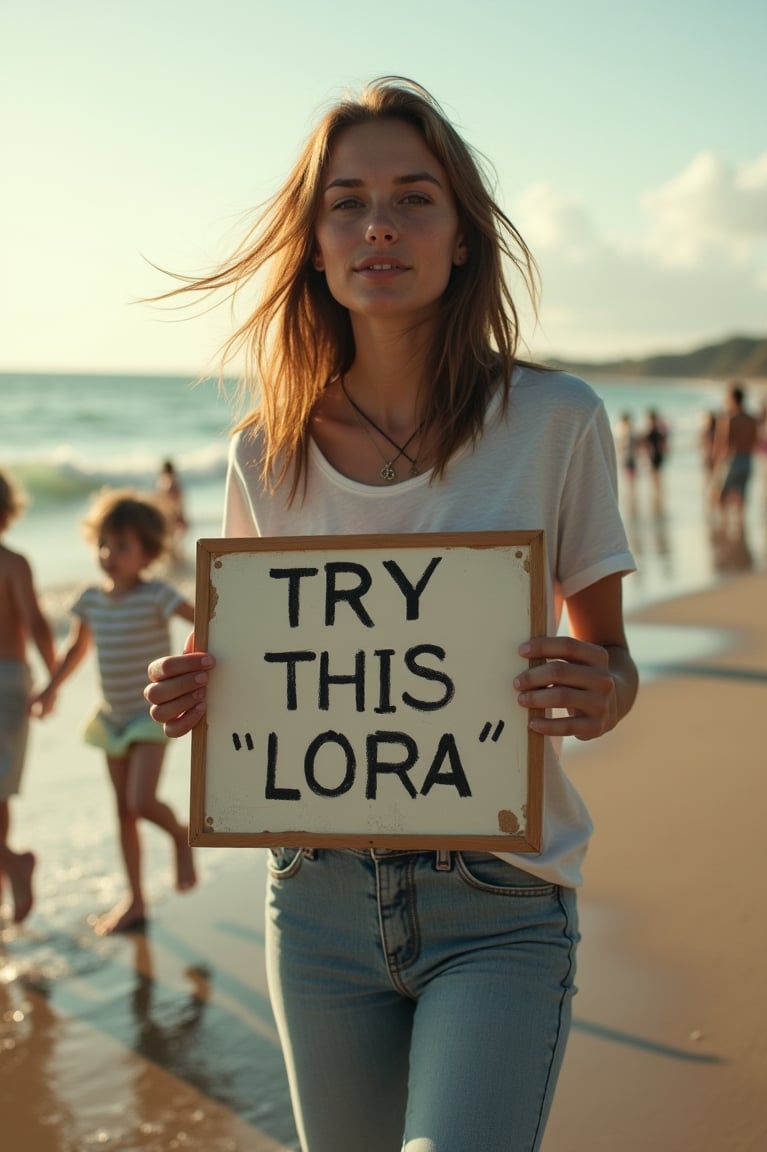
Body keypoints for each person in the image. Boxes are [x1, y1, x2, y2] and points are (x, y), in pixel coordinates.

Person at [144, 77, 639, 1152]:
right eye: (347, 202)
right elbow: (257, 665)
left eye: (415, 198)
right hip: (313, 903)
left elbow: (613, 664)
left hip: (500, 902)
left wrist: (598, 691)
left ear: (462, 236)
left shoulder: (556, 421)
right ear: (315, 244)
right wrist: (192, 690)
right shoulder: (261, 456)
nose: (379, 225)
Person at [33, 489, 196, 935]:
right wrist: (49, 687)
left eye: (122, 546)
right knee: (122, 812)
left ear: (147, 552)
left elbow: (204, 621)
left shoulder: (157, 595)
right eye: (104, 543)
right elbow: (75, 650)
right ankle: (136, 900)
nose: (108, 554)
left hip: (151, 715)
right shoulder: (90, 600)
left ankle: (181, 834)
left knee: (140, 802)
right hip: (111, 718)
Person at [0, 470, 56, 924]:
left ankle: (12, 866)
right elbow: (36, 623)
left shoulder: (13, 564)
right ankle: (10, 866)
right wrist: (51, 676)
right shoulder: (13, 562)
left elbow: (37, 624)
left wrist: (54, 680)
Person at [712, 382, 760, 527]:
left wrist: (716, 463)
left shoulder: (728, 418)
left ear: (732, 399)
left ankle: (723, 524)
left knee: (719, 494)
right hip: (748, 459)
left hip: (732, 460)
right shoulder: (752, 419)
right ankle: (740, 524)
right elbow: (755, 441)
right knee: (742, 494)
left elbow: (723, 443)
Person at [156, 459, 188, 559]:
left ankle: (175, 564)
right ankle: (177, 562)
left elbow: (164, 499)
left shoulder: (166, 481)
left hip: (170, 515)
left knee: (171, 543)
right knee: (174, 543)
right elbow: (180, 500)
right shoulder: (175, 481)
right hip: (174, 515)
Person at [641, 407, 668, 514]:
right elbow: (645, 445)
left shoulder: (656, 432)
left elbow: (663, 444)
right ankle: (656, 494)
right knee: (654, 476)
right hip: (653, 457)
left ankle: (658, 495)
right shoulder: (652, 432)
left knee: (657, 476)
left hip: (657, 457)